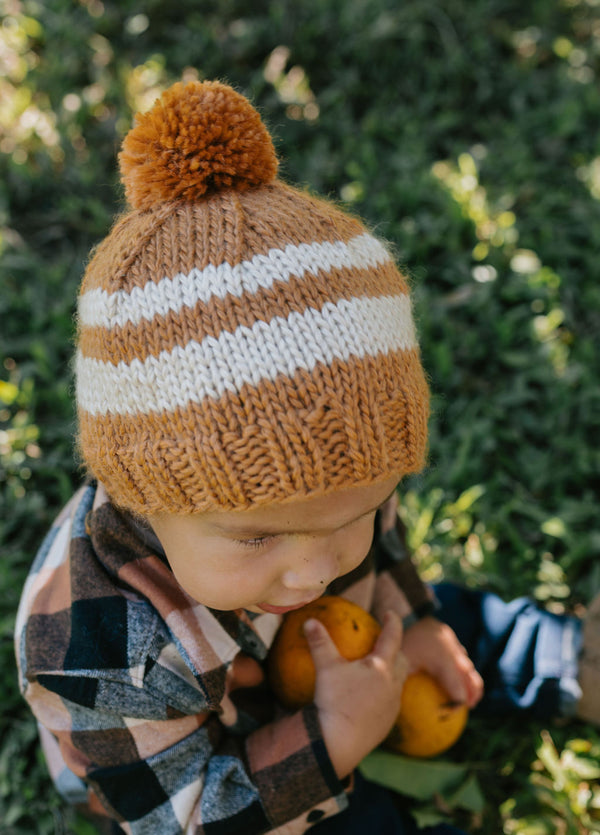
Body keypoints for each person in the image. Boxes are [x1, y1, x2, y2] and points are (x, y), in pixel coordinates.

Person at [13, 78, 598, 835]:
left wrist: (408, 617)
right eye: (259, 535)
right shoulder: (99, 648)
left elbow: (379, 552)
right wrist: (334, 739)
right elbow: (188, 816)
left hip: (314, 652)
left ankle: (563, 657)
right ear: (142, 494)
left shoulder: (328, 499)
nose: (316, 567)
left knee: (449, 621)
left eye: (354, 512)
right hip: (203, 760)